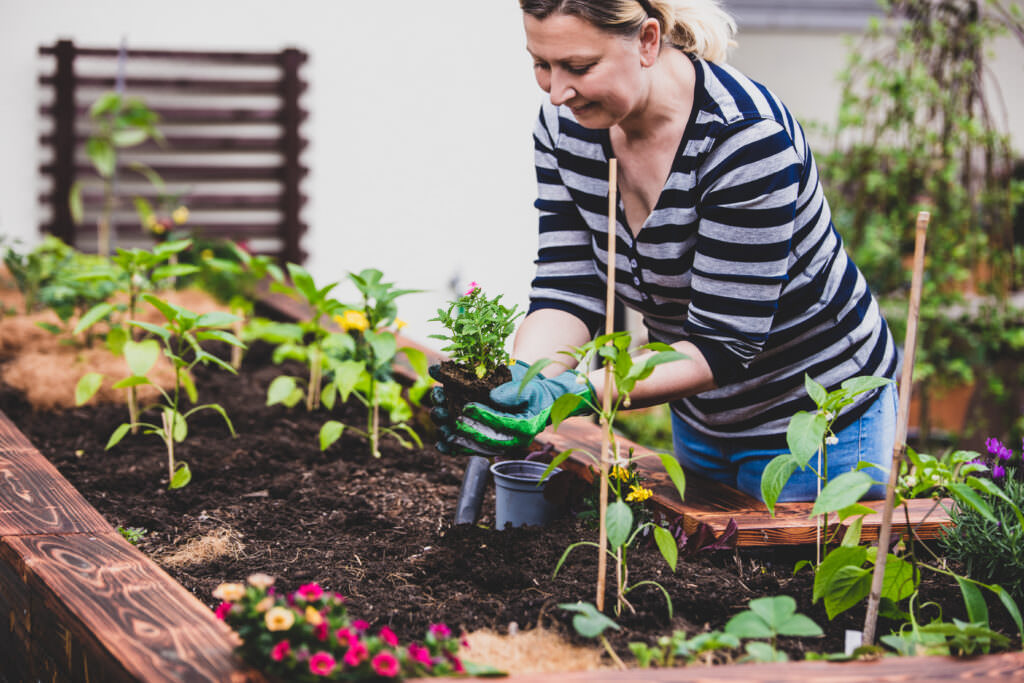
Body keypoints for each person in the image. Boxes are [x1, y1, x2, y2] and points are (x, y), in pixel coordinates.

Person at [433, 0, 898, 503]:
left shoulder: (744, 141)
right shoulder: (567, 128)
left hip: (820, 422)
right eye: (541, 64)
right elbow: (568, 289)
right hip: (699, 410)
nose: (557, 91)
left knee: (795, 580)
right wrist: (519, 385)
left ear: (649, 41)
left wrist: (575, 392)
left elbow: (724, 342)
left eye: (580, 67)